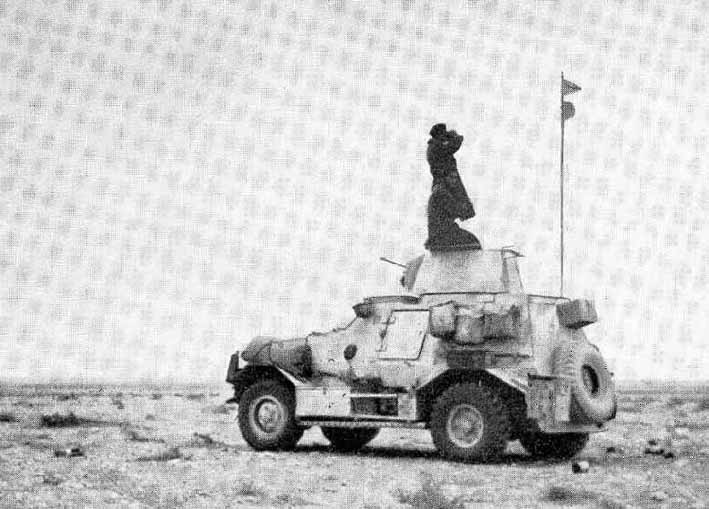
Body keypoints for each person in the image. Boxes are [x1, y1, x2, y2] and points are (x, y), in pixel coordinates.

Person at [424, 123, 481, 251]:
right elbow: (456, 143)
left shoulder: (440, 190)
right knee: (472, 243)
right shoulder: (441, 191)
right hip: (442, 235)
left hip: (443, 232)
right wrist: (453, 135)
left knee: (471, 241)